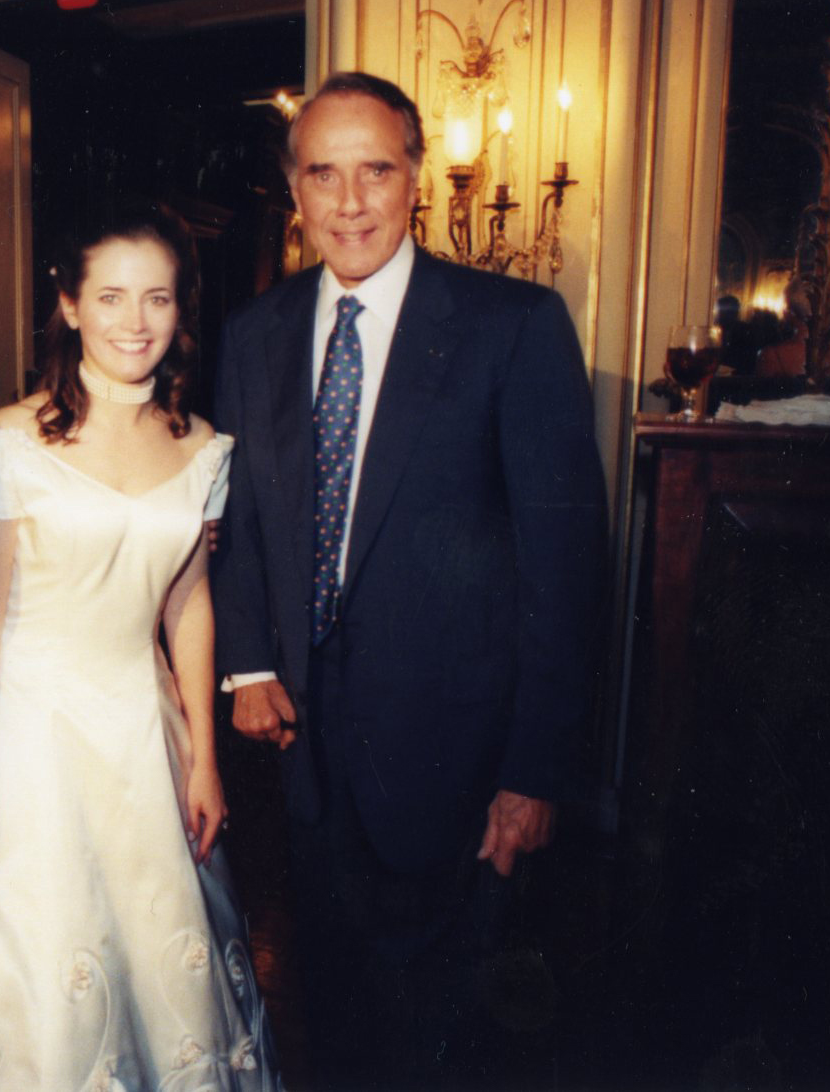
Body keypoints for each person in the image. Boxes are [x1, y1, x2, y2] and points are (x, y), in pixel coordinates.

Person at [212, 72, 606, 1088]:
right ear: (293, 192)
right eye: (322, 175)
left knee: (447, 1038)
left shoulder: (510, 324)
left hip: (462, 762)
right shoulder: (254, 333)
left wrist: (534, 769)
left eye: (374, 170)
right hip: (302, 754)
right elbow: (242, 518)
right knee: (329, 1017)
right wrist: (248, 660)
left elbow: (565, 569)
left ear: (416, 177)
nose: (349, 202)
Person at [0, 204, 281, 1090]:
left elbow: (188, 602)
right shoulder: (14, 436)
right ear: (72, 306)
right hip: (28, 738)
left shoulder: (203, 448)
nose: (136, 320)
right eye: (112, 296)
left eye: (157, 298)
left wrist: (203, 756)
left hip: (139, 730)